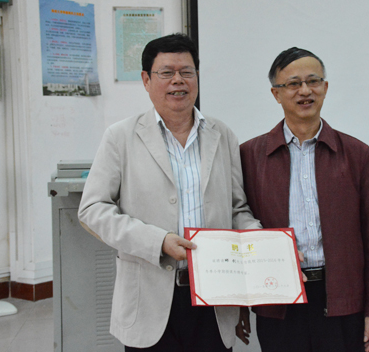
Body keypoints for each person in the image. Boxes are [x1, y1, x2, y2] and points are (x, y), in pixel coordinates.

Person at [78, 33, 261, 351]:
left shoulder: (222, 135)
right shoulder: (120, 137)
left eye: (186, 72)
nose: (178, 80)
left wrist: (261, 244)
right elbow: (92, 210)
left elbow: (237, 209)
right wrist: (158, 241)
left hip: (214, 297)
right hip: (148, 299)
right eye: (166, 72)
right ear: (146, 80)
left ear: (197, 78)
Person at [237, 47, 369, 352]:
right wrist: (239, 304)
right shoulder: (250, 155)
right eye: (293, 84)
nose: (305, 91)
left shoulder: (356, 153)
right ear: (276, 94)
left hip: (342, 299)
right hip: (279, 297)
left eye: (313, 81)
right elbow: (240, 228)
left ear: (325, 87)